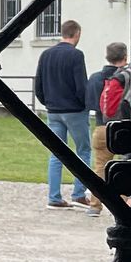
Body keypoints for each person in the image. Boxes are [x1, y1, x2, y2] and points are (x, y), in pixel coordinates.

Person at [34, 19, 91, 211]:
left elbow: (39, 86)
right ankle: (79, 194)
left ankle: (54, 196)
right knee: (83, 151)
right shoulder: (76, 55)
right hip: (74, 110)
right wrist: (85, 104)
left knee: (56, 153)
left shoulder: (46, 54)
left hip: (54, 110)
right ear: (77, 34)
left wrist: (48, 102)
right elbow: (81, 85)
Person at [83, 42, 131, 214]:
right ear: (125, 56)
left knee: (100, 168)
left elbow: (90, 102)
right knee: (126, 167)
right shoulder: (128, 76)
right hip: (123, 127)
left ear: (107, 57)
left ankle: (94, 205)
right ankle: (123, 205)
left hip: (101, 126)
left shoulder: (96, 77)